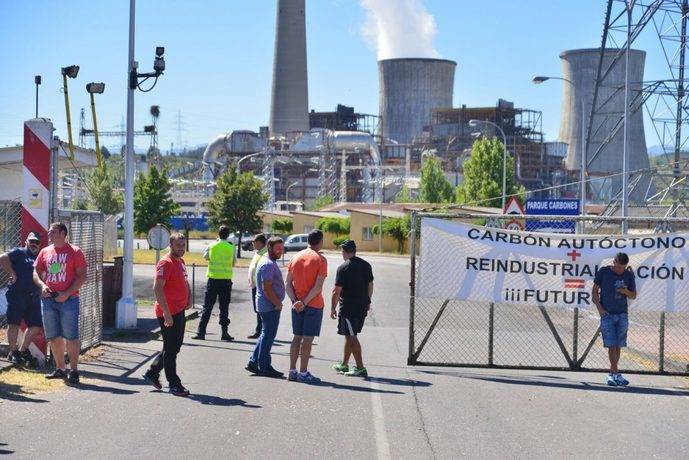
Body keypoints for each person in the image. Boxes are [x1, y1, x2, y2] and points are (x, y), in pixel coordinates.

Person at [33, 223, 87, 384]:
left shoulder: (75, 252)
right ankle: (60, 369)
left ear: (63, 233)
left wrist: (66, 293)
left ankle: (74, 370)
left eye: (53, 232)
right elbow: (36, 272)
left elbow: (82, 276)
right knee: (53, 336)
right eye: (49, 231)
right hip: (48, 300)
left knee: (71, 336)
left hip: (69, 300)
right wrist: (42, 286)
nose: (49, 234)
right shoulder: (45, 251)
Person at [144, 233, 192, 397]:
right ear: (170, 245)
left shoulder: (180, 261)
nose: (181, 248)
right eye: (178, 245)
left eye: (183, 245)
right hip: (168, 312)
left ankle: (152, 373)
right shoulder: (166, 262)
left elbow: (185, 281)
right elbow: (157, 288)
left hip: (179, 309)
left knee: (173, 346)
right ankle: (174, 384)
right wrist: (166, 313)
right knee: (171, 350)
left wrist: (189, 297)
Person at [285, 229, 328, 383]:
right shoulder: (321, 260)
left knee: (297, 337)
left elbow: (288, 283)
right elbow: (318, 287)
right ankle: (303, 372)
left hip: (296, 305)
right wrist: (304, 302)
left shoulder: (295, 257)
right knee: (308, 339)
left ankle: (292, 370)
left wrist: (294, 301)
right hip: (313, 304)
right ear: (320, 241)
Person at [592, 252, 636, 387]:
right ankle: (616, 373)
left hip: (622, 314)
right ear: (614, 262)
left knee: (618, 345)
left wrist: (625, 292)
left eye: (623, 268)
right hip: (607, 314)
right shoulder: (604, 272)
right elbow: (594, 291)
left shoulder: (628, 275)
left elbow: (633, 295)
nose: (620, 270)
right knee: (611, 345)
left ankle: (613, 375)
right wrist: (600, 309)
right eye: (618, 267)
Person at [330, 240, 374, 377]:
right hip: (362, 307)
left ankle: (360, 368)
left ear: (344, 251)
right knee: (349, 335)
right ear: (354, 250)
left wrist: (332, 308)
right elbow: (370, 285)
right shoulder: (366, 265)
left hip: (348, 308)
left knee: (352, 336)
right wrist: (368, 301)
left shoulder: (343, 267)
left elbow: (336, 291)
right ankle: (344, 364)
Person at [0, 232, 43, 368]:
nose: (34, 244)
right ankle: (13, 351)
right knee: (14, 323)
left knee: (36, 325)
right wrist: (12, 272)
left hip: (34, 296)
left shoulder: (41, 256)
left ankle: (22, 350)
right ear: (26, 241)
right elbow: (3, 258)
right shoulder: (19, 252)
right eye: (31, 241)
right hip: (17, 294)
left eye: (36, 242)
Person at [245, 236, 285, 378]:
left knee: (264, 334)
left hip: (266, 305)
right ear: (269, 248)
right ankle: (265, 366)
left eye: (282, 247)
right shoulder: (268, 264)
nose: (281, 251)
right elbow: (266, 288)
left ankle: (254, 362)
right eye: (277, 248)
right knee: (268, 336)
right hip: (270, 307)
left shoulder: (268, 261)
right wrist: (277, 303)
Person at [193, 225, 235, 341]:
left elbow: (205, 257)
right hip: (226, 281)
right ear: (228, 235)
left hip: (213, 280)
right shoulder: (231, 247)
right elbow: (233, 262)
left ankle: (201, 332)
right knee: (224, 307)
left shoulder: (211, 246)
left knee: (208, 307)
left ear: (218, 234)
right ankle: (224, 333)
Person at [247, 233, 268, 339]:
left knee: (261, 309)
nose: (253, 244)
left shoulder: (265, 254)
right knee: (257, 309)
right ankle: (260, 330)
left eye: (254, 242)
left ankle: (261, 331)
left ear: (260, 243)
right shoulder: (258, 253)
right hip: (255, 286)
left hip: (261, 287)